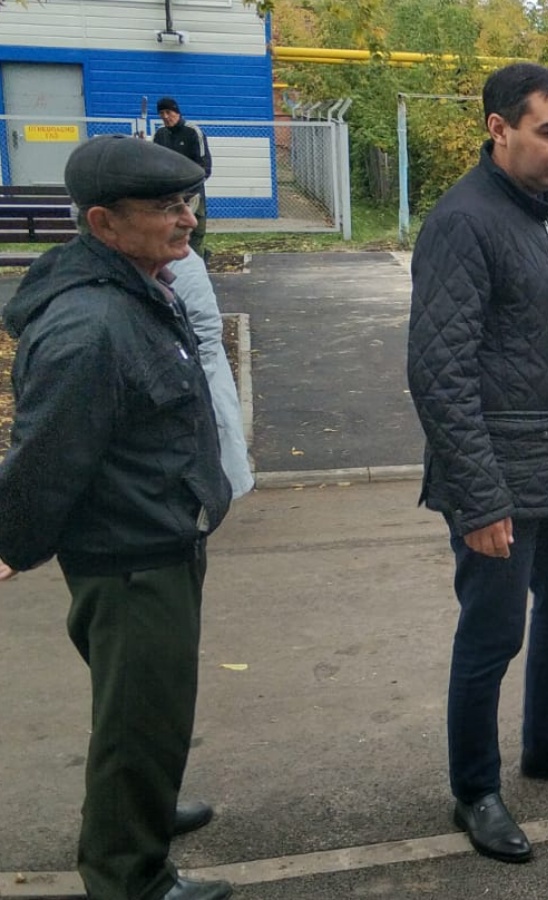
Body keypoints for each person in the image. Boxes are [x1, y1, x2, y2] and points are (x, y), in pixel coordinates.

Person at [407, 62, 548, 867]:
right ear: (499, 129)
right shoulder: (463, 223)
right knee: (492, 635)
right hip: (497, 478)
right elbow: (440, 373)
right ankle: (476, 789)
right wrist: (479, 500)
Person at [0, 135, 233, 900]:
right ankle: (130, 877)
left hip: (157, 535)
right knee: (138, 720)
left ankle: (143, 806)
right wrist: (9, 541)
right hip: (131, 557)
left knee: (147, 711)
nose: (187, 218)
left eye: (187, 202)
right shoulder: (91, 326)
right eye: (165, 206)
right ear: (103, 223)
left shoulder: (137, 285)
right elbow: (46, 451)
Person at [171, 251, 254, 499]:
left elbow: (205, 331)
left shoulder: (181, 261)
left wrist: (185, 391)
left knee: (201, 490)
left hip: (191, 397)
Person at [153, 98, 212, 257]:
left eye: (168, 112)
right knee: (170, 238)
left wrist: (187, 190)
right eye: (161, 113)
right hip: (169, 199)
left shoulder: (193, 132)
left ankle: (199, 265)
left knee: (195, 236)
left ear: (177, 112)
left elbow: (204, 168)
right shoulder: (160, 135)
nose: (165, 116)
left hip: (193, 196)